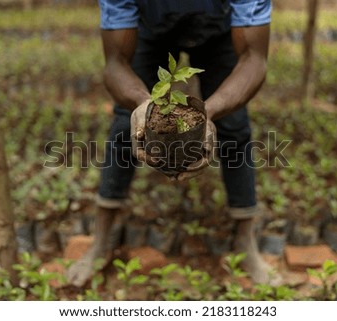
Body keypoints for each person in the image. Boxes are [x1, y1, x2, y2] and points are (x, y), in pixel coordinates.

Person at [67, 0, 280, 287]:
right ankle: (101, 239)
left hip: (221, 30)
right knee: (125, 123)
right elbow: (115, 63)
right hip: (148, 30)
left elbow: (255, 59)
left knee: (234, 125)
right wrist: (144, 105)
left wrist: (209, 112)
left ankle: (245, 239)